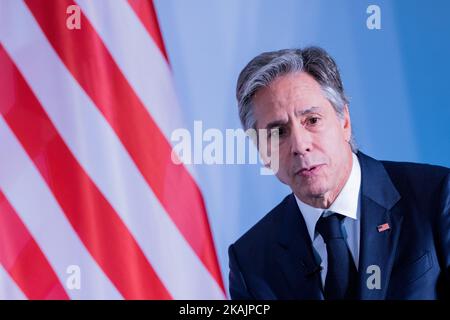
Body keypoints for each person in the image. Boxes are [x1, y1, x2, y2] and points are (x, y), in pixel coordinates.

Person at [228, 47, 450, 300]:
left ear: (344, 121)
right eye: (278, 133)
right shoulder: (250, 261)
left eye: (312, 120)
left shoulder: (437, 197)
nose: (300, 146)